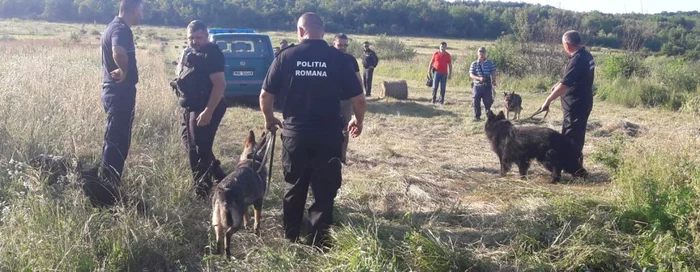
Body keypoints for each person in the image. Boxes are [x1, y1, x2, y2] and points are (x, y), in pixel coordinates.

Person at [260, 12, 366, 247]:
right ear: (323, 32)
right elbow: (359, 99)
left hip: (295, 135)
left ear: (300, 31)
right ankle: (318, 241)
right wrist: (358, 121)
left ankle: (291, 236)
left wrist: (269, 118)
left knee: (294, 185)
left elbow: (266, 95)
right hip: (328, 136)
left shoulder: (285, 56)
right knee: (324, 189)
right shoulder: (338, 59)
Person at [96, 0, 143, 204]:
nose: (143, 13)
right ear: (133, 10)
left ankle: (108, 187)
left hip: (115, 92)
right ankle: (107, 192)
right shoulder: (121, 29)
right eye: (141, 9)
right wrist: (124, 72)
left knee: (116, 140)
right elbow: (118, 51)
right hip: (119, 92)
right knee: (117, 143)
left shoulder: (114, 26)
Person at [177, 20, 228, 198]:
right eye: (191, 37)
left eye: (198, 37)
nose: (194, 41)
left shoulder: (212, 55)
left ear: (206, 36)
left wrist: (208, 111)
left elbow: (220, 85)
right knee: (190, 143)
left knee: (198, 148)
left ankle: (203, 190)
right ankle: (220, 176)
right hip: (192, 106)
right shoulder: (191, 53)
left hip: (206, 106)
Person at [539, 30, 595, 167]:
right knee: (576, 134)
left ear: (567, 44)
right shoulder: (586, 55)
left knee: (571, 137)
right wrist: (558, 84)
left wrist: (548, 100)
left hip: (576, 104)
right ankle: (571, 165)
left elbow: (566, 85)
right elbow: (572, 78)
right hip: (583, 101)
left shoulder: (577, 60)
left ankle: (574, 168)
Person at [332, 33, 363, 163]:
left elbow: (358, 79)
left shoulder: (351, 60)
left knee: (345, 130)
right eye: (339, 45)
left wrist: (360, 95)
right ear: (334, 44)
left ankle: (341, 158)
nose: (342, 48)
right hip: (329, 100)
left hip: (346, 100)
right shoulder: (327, 57)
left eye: (345, 45)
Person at [469, 47, 498, 121]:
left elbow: (493, 72)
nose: (481, 53)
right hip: (477, 86)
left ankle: (489, 115)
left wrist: (494, 80)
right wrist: (479, 78)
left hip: (487, 85)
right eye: (480, 52)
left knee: (488, 101)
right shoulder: (474, 63)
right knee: (476, 101)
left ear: (485, 53)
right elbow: (471, 74)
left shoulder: (490, 63)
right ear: (478, 53)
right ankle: (477, 116)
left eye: (483, 52)